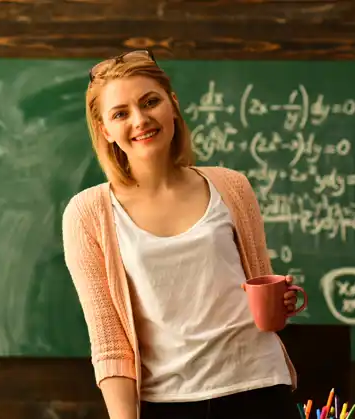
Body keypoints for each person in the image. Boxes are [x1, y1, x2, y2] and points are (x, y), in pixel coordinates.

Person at [61, 49, 302, 419]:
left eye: (150, 102)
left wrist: (278, 303)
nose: (140, 120)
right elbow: (110, 343)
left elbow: (257, 286)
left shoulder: (232, 187)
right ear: (105, 130)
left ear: (172, 105)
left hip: (260, 387)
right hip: (166, 402)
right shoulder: (87, 213)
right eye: (121, 113)